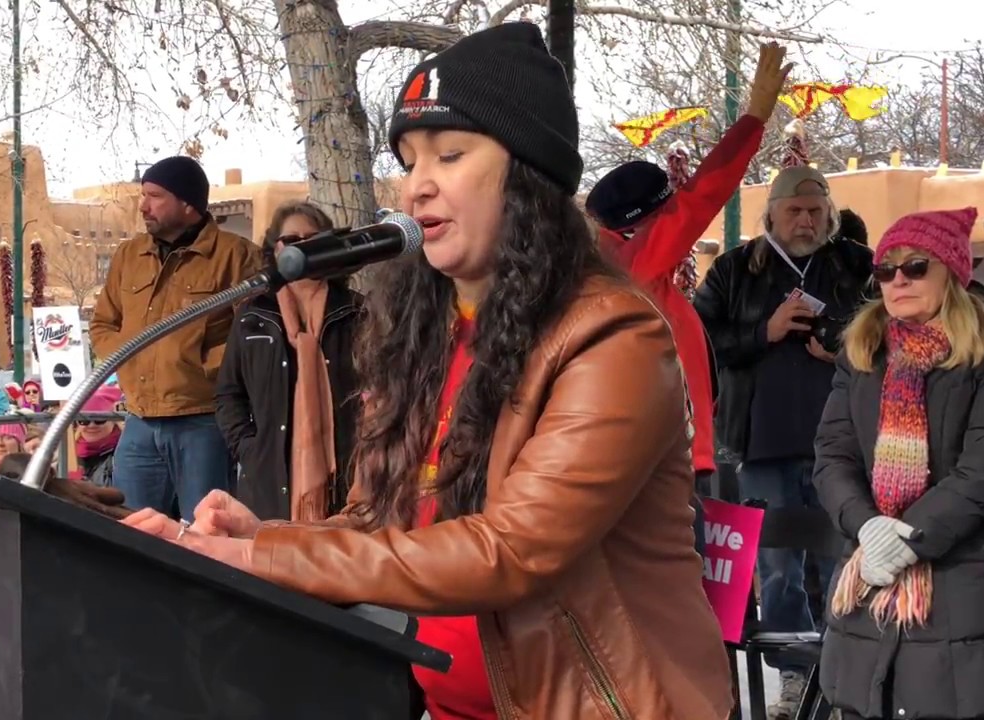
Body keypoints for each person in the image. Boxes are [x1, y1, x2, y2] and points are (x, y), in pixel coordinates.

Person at [123, 23, 730, 720]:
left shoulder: (613, 336)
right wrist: (257, 538)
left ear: (528, 175)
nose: (417, 188)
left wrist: (263, 562)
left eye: (449, 154)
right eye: (409, 162)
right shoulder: (427, 334)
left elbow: (509, 551)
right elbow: (383, 524)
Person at [813, 207, 984, 720]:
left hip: (965, 589)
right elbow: (832, 457)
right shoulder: (861, 356)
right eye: (886, 270)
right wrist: (867, 528)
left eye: (916, 266)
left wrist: (905, 539)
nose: (898, 280)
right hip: (868, 588)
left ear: (951, 272)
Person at [586, 44, 790, 552]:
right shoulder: (634, 268)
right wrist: (753, 120)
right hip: (663, 471)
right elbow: (705, 193)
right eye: (670, 212)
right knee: (681, 612)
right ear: (648, 224)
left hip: (678, 461)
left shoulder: (633, 274)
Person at [693, 164, 873, 717]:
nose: (806, 220)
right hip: (761, 441)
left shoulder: (854, 264)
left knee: (847, 563)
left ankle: (844, 674)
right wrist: (761, 333)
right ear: (770, 213)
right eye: (795, 210)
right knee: (778, 568)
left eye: (816, 210)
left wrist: (845, 344)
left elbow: (893, 327)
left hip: (843, 440)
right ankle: (795, 678)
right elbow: (699, 341)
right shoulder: (734, 270)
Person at [90, 155, 262, 520]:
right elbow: (104, 323)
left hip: (202, 422)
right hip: (138, 419)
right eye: (143, 195)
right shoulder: (129, 255)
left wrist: (201, 368)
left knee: (206, 531)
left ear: (187, 204)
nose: (143, 206)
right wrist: (126, 363)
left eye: (154, 196)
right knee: (129, 529)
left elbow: (253, 338)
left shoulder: (236, 256)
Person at [214, 201, 364, 522]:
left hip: (349, 478)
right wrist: (249, 449)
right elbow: (229, 394)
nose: (303, 247)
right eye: (292, 240)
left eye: (313, 238)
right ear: (275, 248)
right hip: (270, 481)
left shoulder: (359, 312)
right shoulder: (253, 315)